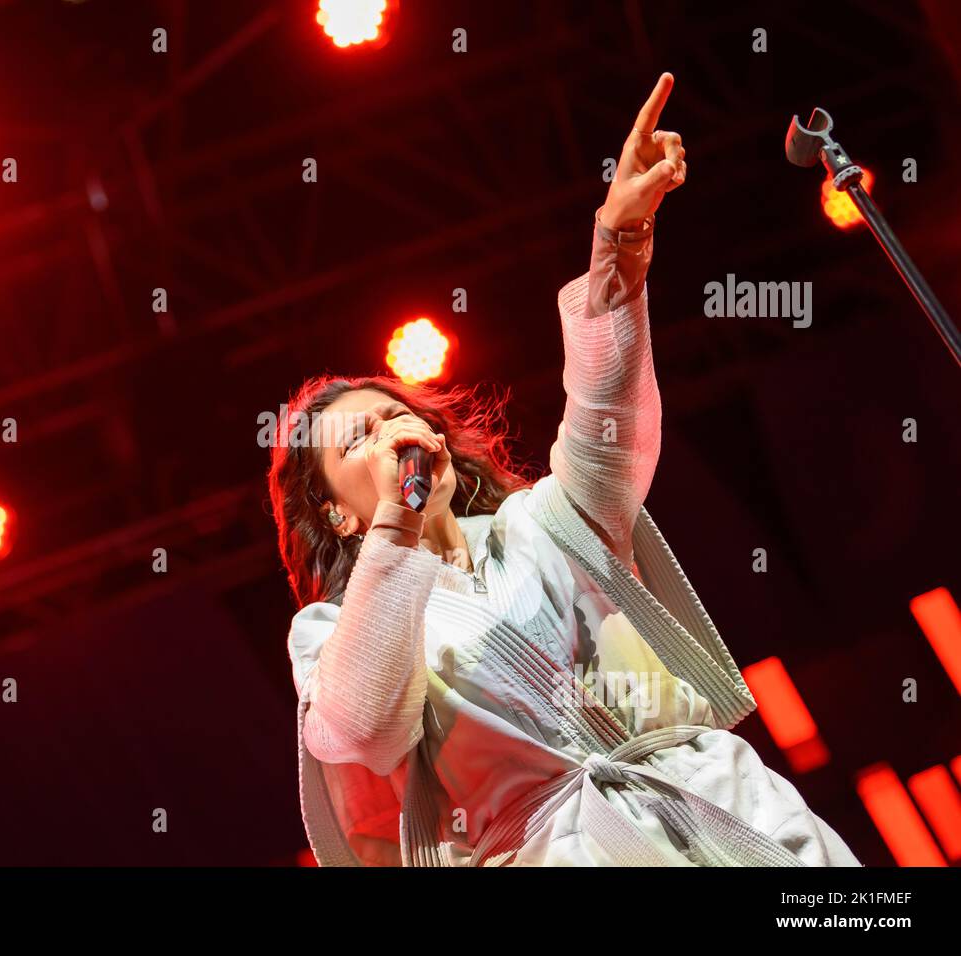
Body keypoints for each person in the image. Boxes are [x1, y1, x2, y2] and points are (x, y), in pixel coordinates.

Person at [265, 74, 862, 866]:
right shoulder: (329, 633)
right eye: (357, 441)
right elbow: (365, 726)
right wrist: (399, 519)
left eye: (398, 415)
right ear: (338, 514)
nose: (393, 434)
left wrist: (617, 243)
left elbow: (609, 424)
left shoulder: (542, 521)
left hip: (724, 813)